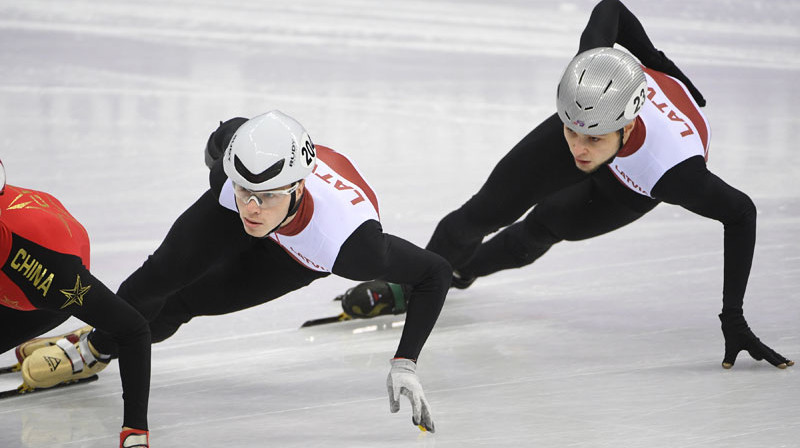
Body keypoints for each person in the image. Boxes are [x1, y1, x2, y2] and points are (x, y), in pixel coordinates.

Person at [334, 0, 793, 370]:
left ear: (628, 126)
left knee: (545, 227)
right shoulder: (588, 83)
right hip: (601, 118)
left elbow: (742, 213)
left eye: (592, 139)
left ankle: (459, 274)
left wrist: (732, 314)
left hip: (631, 183)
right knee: (483, 211)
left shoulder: (671, 169)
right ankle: (409, 285)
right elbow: (609, 7)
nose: (578, 149)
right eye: (571, 132)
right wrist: (653, 60)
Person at [19, 110, 450, 432]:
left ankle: (101, 347)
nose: (252, 208)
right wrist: (244, 191)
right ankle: (96, 342)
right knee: (159, 276)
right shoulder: (231, 171)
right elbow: (239, 176)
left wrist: (405, 362)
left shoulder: (352, 246)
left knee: (186, 302)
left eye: (266, 196)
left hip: (297, 252)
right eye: (245, 190)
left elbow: (435, 272)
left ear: (299, 187)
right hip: (260, 210)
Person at [0, 159, 152, 447]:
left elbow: (133, 330)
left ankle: (85, 346)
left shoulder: (50, 275)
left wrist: (135, 433)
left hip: (43, 288)